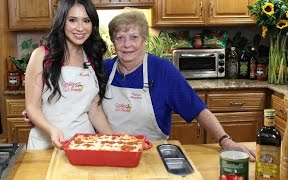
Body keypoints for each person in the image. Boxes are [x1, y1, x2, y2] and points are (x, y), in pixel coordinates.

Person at [24, 9, 256, 161]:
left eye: (134, 37)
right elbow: (82, 101)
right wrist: (39, 110)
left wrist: (226, 140)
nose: (127, 45)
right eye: (120, 38)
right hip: (107, 151)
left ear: (144, 39)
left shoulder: (163, 71)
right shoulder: (102, 68)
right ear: (113, 41)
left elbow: (197, 108)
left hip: (151, 154)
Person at [24, 0, 112, 150]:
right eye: (72, 20)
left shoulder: (91, 58)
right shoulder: (41, 55)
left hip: (84, 145)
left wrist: (113, 139)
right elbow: (32, 108)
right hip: (45, 145)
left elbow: (94, 109)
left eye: (86, 20)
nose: (80, 28)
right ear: (62, 22)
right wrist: (51, 130)